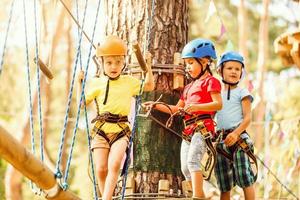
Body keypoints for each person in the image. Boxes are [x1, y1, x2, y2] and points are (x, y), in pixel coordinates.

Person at [143, 38, 222, 199]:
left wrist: (197, 107)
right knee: (185, 168)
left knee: (193, 162)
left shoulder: (210, 82)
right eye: (186, 63)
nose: (188, 67)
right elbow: (177, 109)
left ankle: (198, 197)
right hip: (188, 131)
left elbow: (218, 104)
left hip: (203, 128)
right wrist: (156, 105)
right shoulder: (188, 88)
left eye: (191, 63)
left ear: (205, 62)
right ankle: (199, 193)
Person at [78, 35, 154, 200]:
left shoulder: (128, 82)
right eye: (109, 62)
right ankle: (107, 196)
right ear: (102, 64)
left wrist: (147, 66)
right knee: (100, 169)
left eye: (118, 62)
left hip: (120, 130)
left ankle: (106, 199)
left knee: (114, 165)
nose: (114, 66)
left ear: (124, 63)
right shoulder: (97, 83)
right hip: (100, 130)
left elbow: (149, 85)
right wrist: (79, 84)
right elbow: (81, 103)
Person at [214, 51, 256, 200]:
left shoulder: (242, 92)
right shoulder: (216, 94)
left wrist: (236, 133)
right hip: (221, 139)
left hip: (239, 138)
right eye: (230, 68)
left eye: (237, 69)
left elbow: (248, 119)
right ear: (220, 70)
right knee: (223, 182)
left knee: (245, 176)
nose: (234, 71)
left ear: (241, 73)